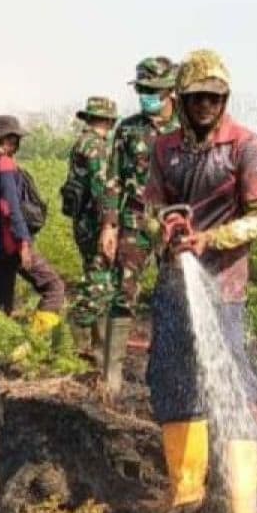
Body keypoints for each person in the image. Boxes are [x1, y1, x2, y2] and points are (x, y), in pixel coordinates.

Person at [144, 49, 257, 513]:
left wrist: (211, 239)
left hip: (224, 287)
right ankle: (186, 494)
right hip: (175, 286)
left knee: (234, 388)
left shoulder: (246, 148)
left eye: (214, 99)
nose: (206, 106)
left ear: (225, 99)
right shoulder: (164, 150)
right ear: (181, 99)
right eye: (197, 97)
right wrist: (164, 225)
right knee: (174, 383)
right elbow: (149, 206)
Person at [97, 57, 181, 396]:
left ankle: (163, 373)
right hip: (133, 223)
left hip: (173, 226)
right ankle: (111, 375)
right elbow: (112, 180)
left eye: (153, 91)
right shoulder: (128, 129)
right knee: (123, 295)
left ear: (170, 92)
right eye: (142, 90)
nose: (146, 96)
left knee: (172, 298)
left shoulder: (185, 131)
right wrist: (109, 225)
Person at [0, 115, 65, 336]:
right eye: (16, 139)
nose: (18, 144)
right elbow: (10, 207)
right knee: (54, 288)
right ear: (10, 139)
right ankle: (36, 341)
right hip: (11, 241)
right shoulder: (4, 163)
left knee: (1, 305)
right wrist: (23, 242)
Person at [61, 96, 118, 358]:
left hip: (83, 222)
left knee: (95, 276)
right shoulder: (96, 147)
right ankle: (70, 338)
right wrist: (109, 226)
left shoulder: (81, 144)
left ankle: (96, 346)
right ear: (108, 120)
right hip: (94, 223)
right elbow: (100, 190)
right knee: (100, 284)